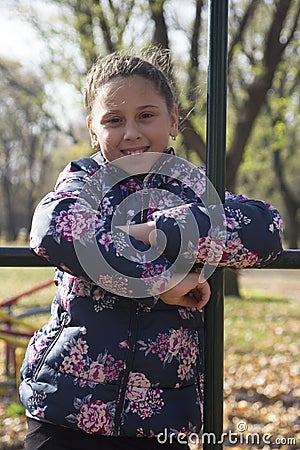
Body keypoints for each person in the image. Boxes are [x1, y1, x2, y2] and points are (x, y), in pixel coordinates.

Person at [19, 48, 283, 450]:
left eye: (146, 115)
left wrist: (162, 230)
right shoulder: (85, 180)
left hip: (161, 416)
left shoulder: (195, 188)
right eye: (113, 120)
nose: (131, 133)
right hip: (66, 406)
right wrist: (159, 281)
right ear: (93, 129)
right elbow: (55, 229)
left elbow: (265, 231)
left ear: (174, 120)